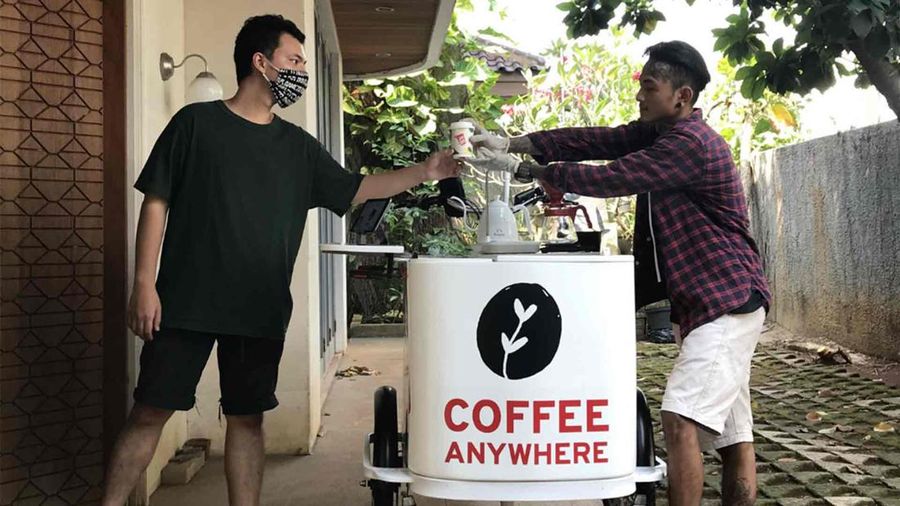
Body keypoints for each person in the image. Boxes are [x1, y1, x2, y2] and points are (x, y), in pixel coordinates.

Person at [101, 14, 459, 506]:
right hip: (184, 302)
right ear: (260, 62)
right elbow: (156, 201)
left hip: (259, 308)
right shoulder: (195, 124)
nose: (302, 72)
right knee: (150, 412)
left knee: (247, 420)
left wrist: (426, 170)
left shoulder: (298, 148)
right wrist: (144, 284)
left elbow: (358, 188)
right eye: (295, 60)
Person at [468, 41, 770, 506]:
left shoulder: (690, 144)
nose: (639, 96)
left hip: (725, 300)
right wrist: (514, 143)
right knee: (733, 437)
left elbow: (613, 177)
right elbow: (596, 140)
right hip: (713, 302)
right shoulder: (662, 134)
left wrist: (526, 169)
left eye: (649, 87)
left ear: (682, 97)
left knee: (680, 420)